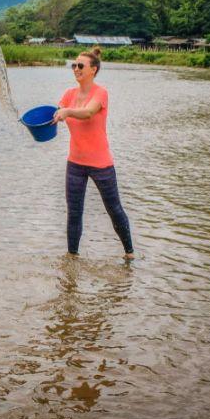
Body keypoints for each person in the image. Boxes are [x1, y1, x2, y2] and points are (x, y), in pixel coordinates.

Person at [51, 45, 134, 259]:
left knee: (114, 209)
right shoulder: (68, 94)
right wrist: (43, 120)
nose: (76, 69)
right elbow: (55, 113)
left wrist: (67, 111)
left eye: (80, 66)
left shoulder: (101, 93)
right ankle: (72, 259)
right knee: (74, 213)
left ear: (93, 70)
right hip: (75, 164)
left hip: (101, 164)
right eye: (74, 65)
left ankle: (129, 253)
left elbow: (88, 112)